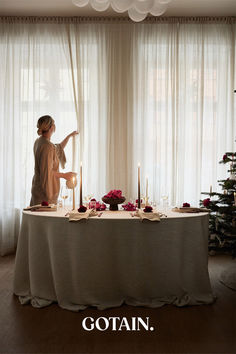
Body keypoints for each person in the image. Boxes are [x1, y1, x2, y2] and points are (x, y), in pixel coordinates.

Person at [30, 115, 78, 206]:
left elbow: (58, 149)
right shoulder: (47, 146)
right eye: (54, 123)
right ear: (51, 127)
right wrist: (65, 175)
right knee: (44, 220)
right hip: (44, 194)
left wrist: (69, 136)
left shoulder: (39, 141)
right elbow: (47, 172)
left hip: (37, 188)